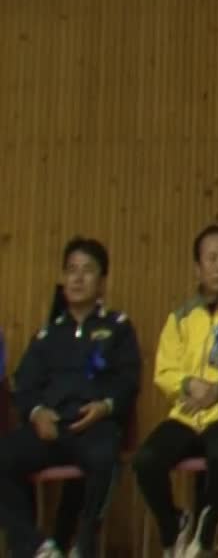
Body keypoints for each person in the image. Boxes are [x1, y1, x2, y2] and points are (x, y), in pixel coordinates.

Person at [134, 225, 218, 558]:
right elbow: (164, 371)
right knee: (146, 461)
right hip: (186, 414)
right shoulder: (180, 317)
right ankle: (174, 524)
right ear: (198, 268)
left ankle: (203, 537)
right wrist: (188, 385)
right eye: (211, 258)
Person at [0, 238, 140, 558]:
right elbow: (23, 385)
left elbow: (128, 380)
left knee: (105, 458)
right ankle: (36, 547)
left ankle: (82, 547)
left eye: (87, 270)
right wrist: (36, 413)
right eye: (71, 270)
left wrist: (105, 407)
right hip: (51, 429)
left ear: (102, 281)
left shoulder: (118, 328)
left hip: (95, 426)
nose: (77, 278)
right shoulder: (47, 336)